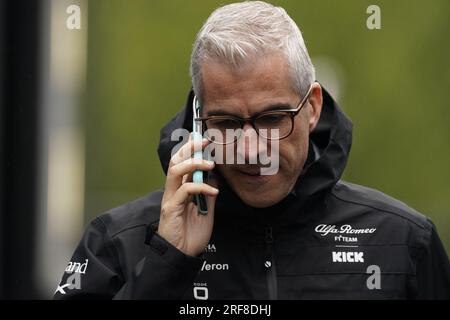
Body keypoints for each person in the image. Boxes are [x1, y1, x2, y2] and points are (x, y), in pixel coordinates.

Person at [54, 1, 450, 299]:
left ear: (311, 107)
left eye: (271, 119)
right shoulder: (117, 242)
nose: (250, 149)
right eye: (226, 123)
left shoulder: (402, 242)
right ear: (198, 119)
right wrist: (167, 262)